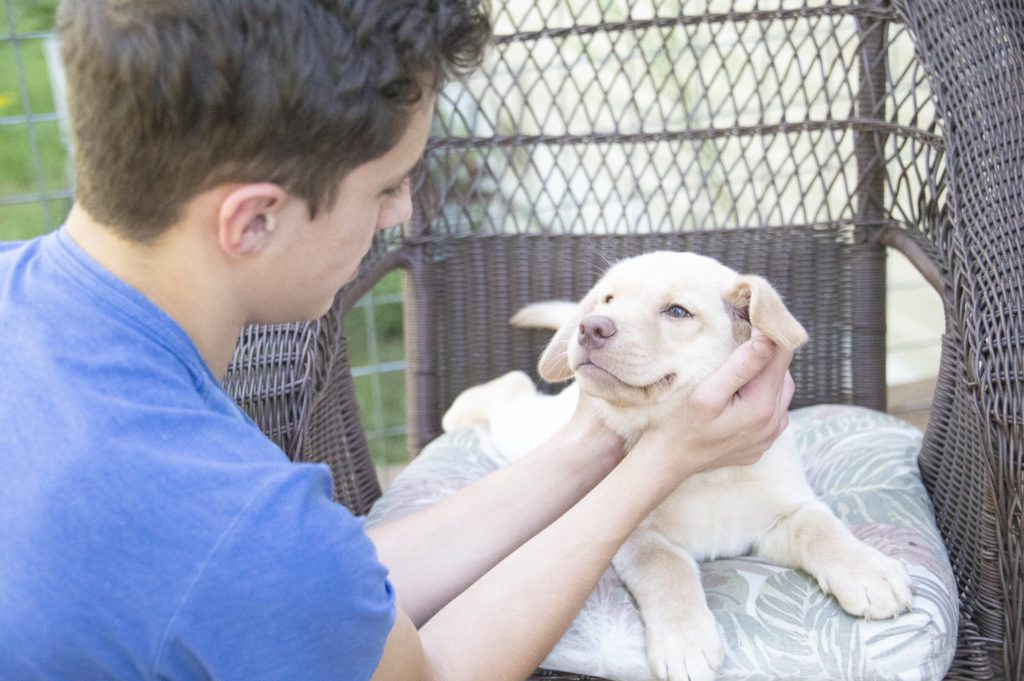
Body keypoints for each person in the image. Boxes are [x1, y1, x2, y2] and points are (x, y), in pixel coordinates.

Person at [0, 1, 796, 679]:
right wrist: (663, 462)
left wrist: (600, 437)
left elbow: (333, 595)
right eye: (386, 185)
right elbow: (425, 669)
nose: (403, 213)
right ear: (253, 220)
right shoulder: (237, 522)